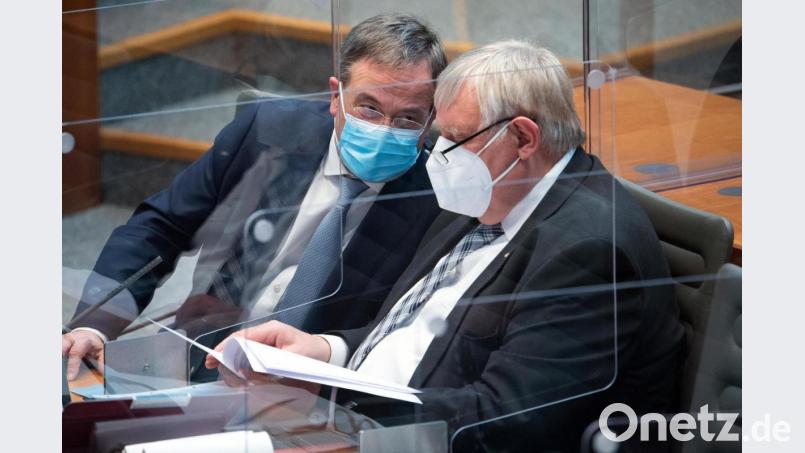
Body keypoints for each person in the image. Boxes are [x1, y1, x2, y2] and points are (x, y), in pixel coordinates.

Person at [206, 41, 684, 450]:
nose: (440, 157)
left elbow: (502, 421)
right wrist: (322, 354)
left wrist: (336, 404)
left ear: (522, 137)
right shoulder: (491, 195)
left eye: (456, 139)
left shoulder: (588, 252)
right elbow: (407, 330)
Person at [62, 14, 448, 381]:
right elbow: (161, 227)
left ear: (431, 122)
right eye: (369, 108)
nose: (384, 129)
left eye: (408, 119)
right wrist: (96, 322)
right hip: (204, 351)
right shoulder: (266, 131)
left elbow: (407, 325)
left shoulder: (436, 199)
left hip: (315, 387)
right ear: (336, 97)